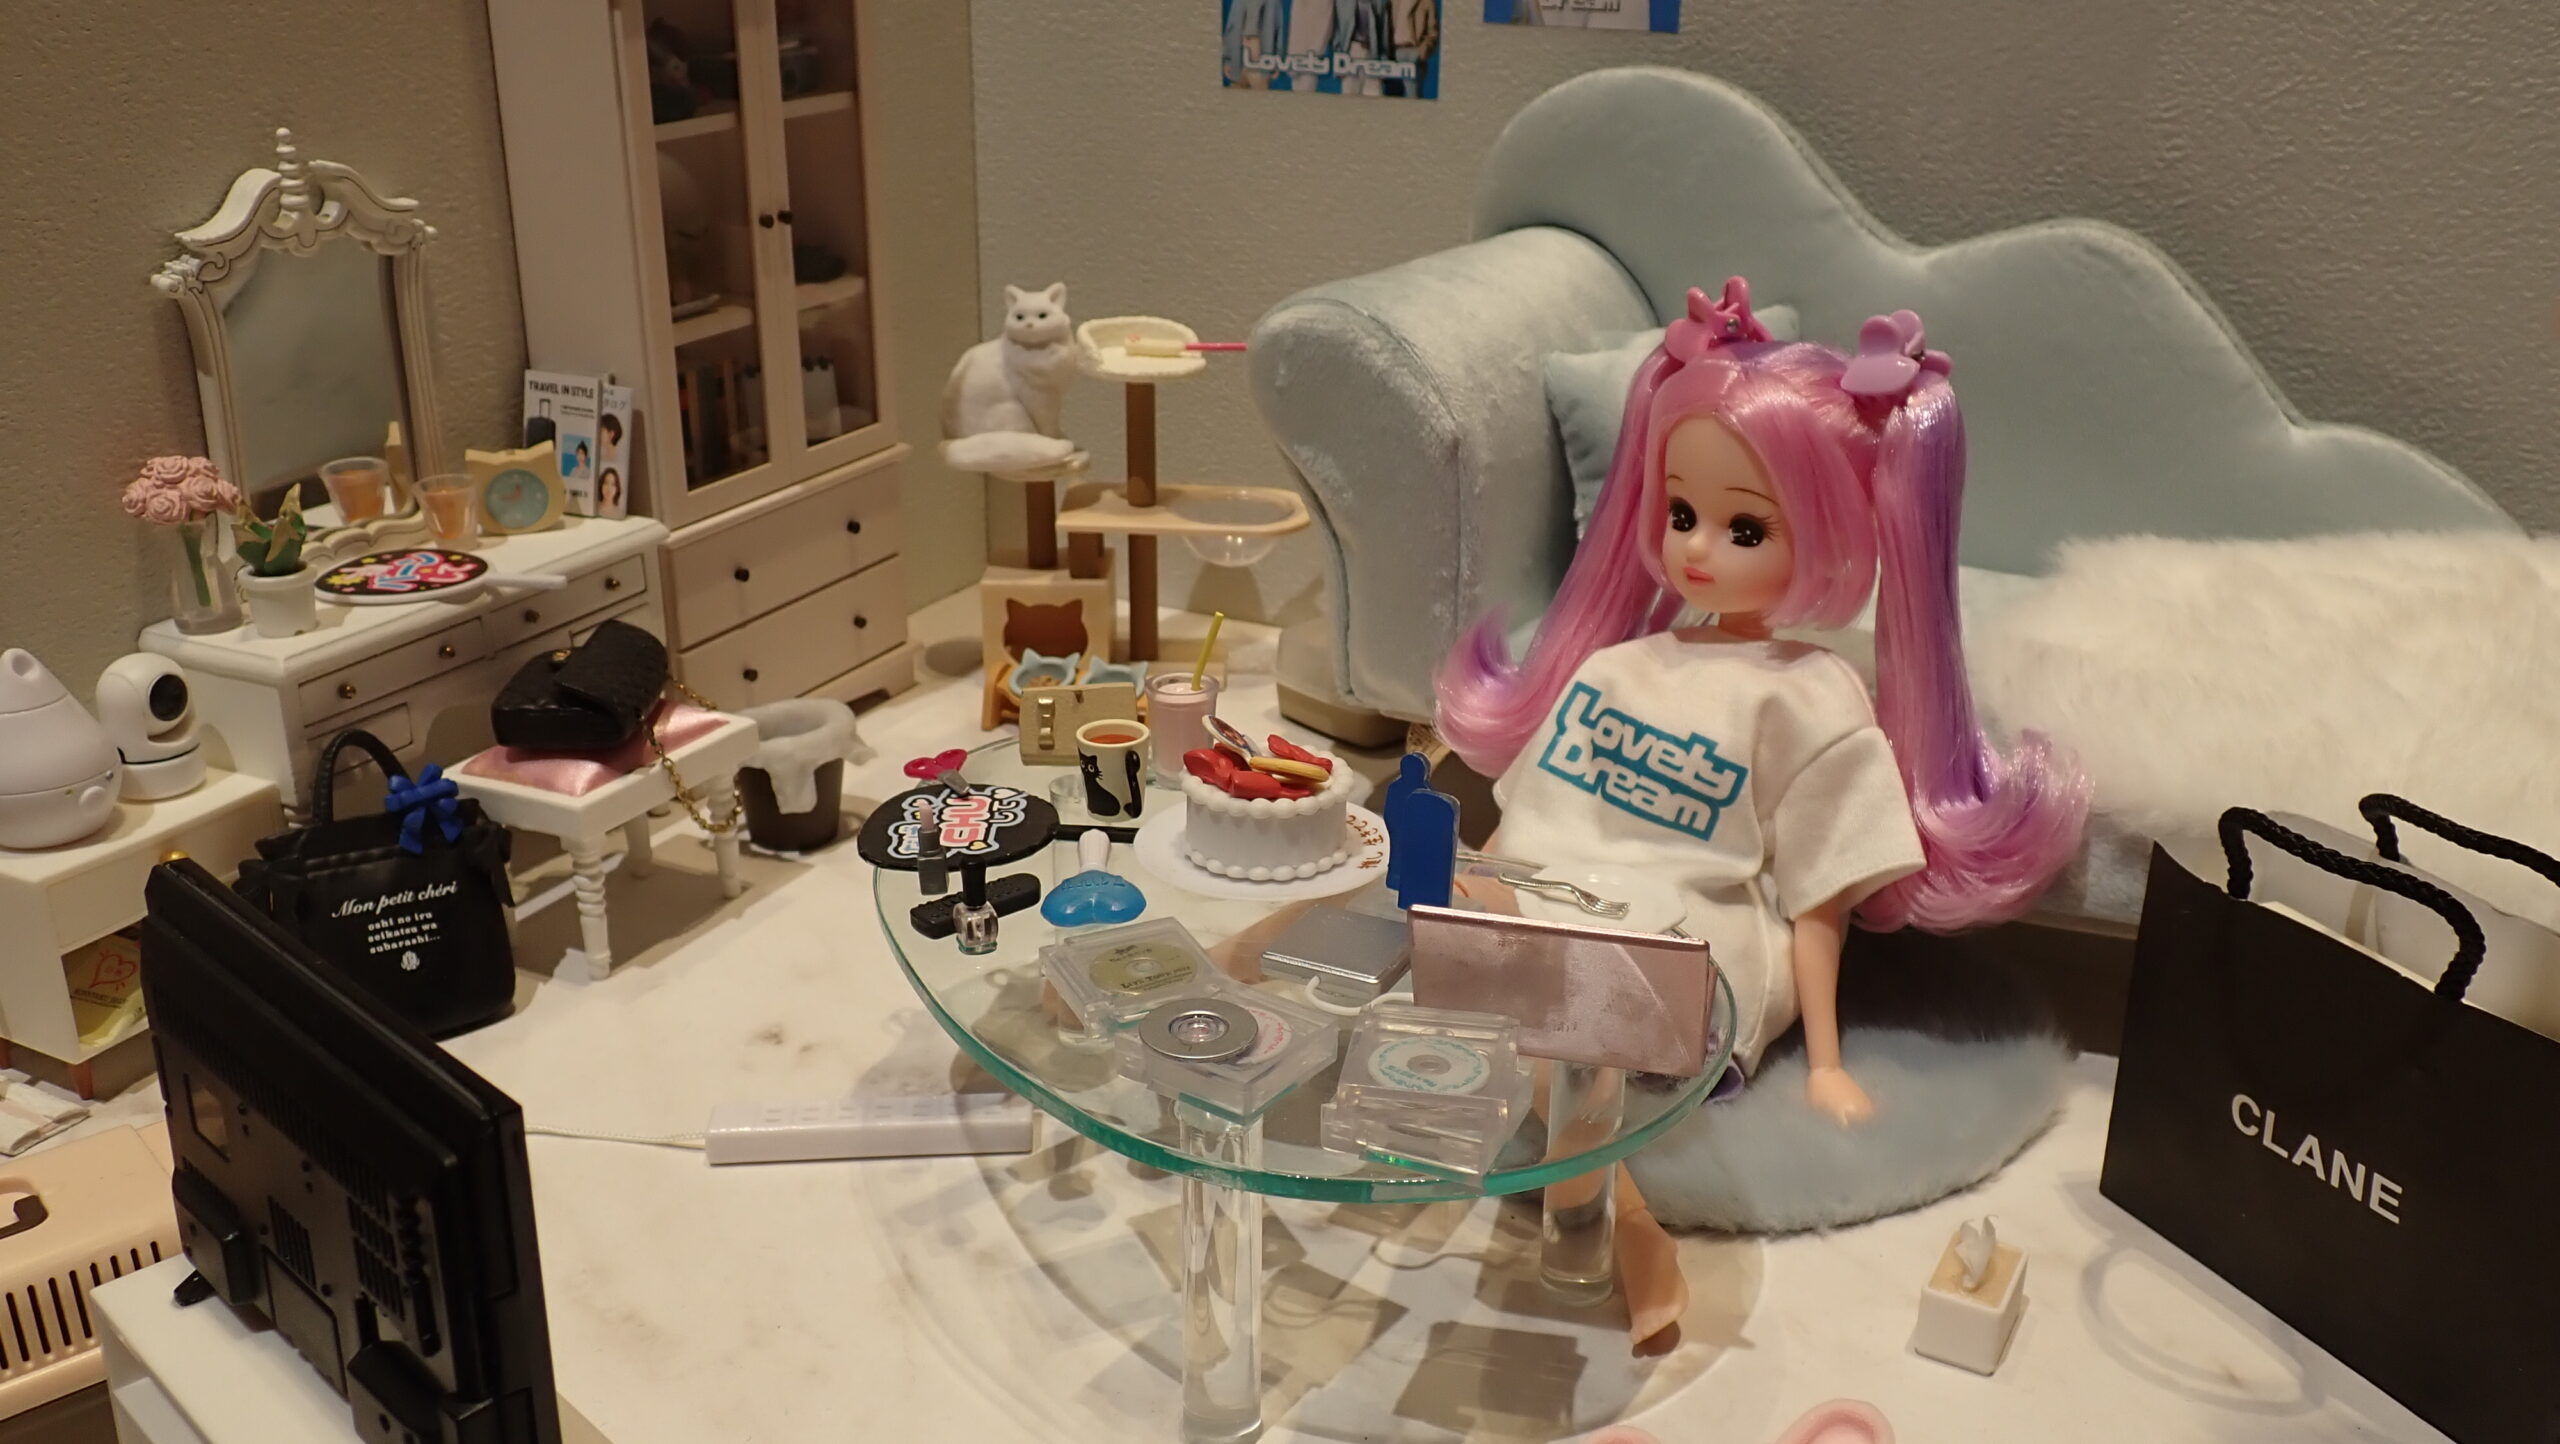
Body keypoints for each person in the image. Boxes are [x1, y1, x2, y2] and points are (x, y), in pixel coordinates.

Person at [1436, 279, 2087, 1346]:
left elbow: (1817, 899)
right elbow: (1532, 823)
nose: (1696, 549)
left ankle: (1620, 1230)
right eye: (1679, 514)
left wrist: (1824, 1062)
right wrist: (1476, 893)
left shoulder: (1807, 696)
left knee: (1574, 1027)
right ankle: (1599, 1199)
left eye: (1743, 526)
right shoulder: (1615, 669)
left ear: (1825, 534)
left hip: (1686, 953)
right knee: (1458, 948)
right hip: (1556, 915)